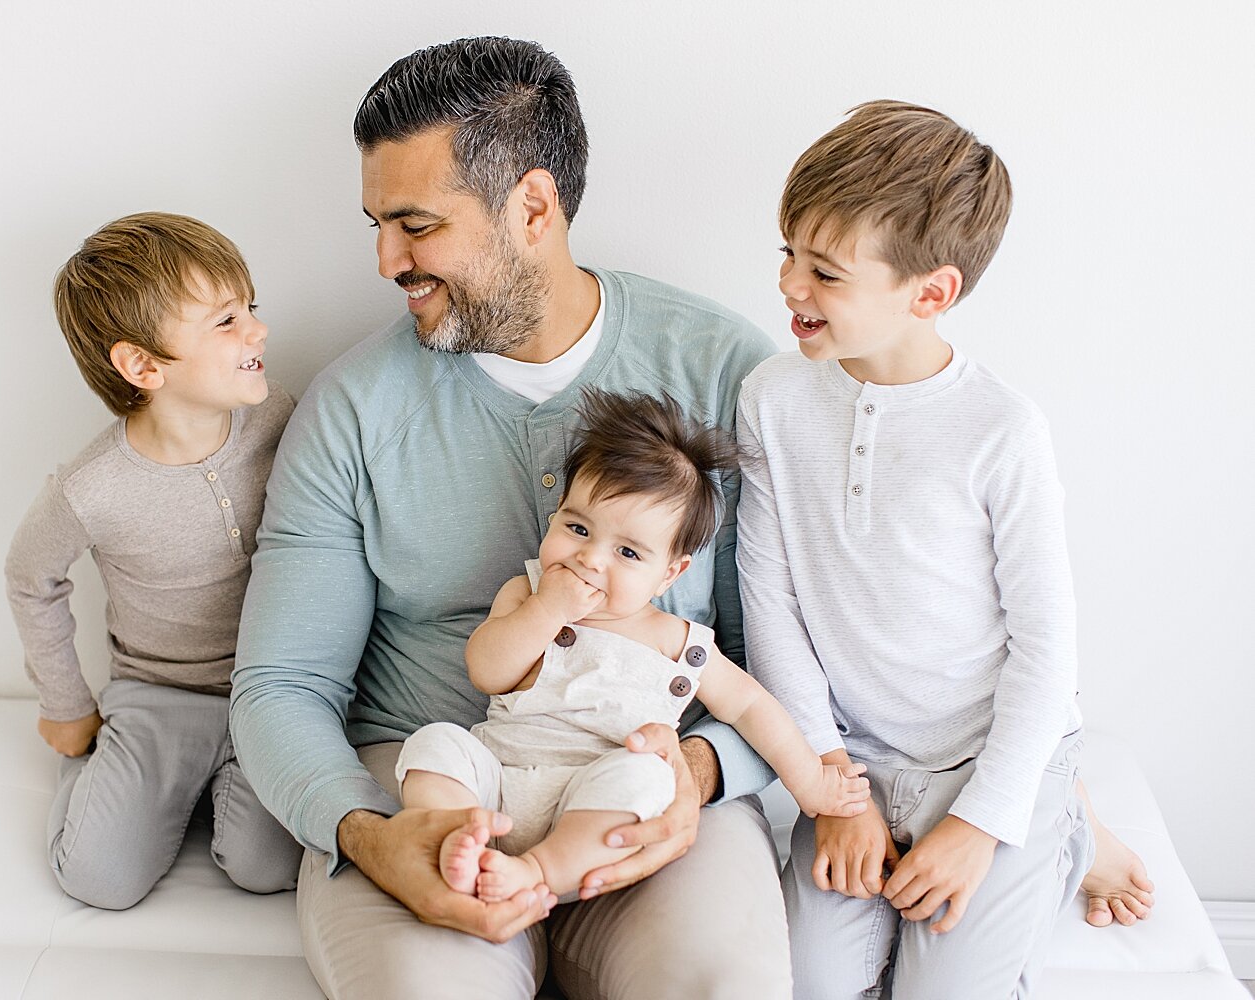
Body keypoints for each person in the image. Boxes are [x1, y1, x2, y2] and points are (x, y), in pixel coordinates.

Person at [231, 36, 789, 1000]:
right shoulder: (352, 408)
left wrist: (697, 773)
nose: (382, 260)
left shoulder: (728, 374)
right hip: (427, 788)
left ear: (533, 206)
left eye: (413, 224)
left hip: (638, 779)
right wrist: (371, 836)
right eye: (376, 223)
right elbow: (280, 684)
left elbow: (779, 666)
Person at [736, 101, 1148, 1000]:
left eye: (826, 273)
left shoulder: (1002, 431)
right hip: (856, 765)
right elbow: (770, 601)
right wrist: (827, 785)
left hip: (990, 757)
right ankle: (1042, 825)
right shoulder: (772, 398)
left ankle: (1064, 825)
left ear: (931, 293)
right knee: (807, 984)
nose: (790, 288)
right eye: (787, 256)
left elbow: (1045, 648)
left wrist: (984, 823)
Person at [398, 389, 870, 903]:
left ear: (670, 573)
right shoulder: (528, 594)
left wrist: (810, 784)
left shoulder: (680, 645)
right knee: (435, 744)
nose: (590, 559)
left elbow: (754, 706)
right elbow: (486, 671)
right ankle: (454, 835)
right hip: (499, 780)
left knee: (647, 778)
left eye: (627, 551)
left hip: (595, 795)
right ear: (556, 513)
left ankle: (538, 872)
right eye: (577, 528)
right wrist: (547, 610)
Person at [5, 212, 303, 909]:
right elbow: (30, 578)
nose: (257, 331)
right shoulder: (90, 487)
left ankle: (218, 785)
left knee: (267, 867)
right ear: (143, 366)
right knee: (97, 880)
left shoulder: (281, 419)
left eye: (250, 308)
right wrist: (66, 704)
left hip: (269, 691)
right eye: (225, 321)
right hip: (155, 696)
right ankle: (114, 777)